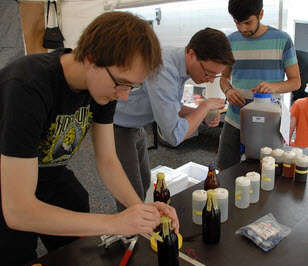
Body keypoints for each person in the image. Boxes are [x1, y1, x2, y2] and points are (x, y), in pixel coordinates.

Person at [0, 11, 179, 266]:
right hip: (7, 183)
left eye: (133, 86)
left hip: (50, 174)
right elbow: (18, 210)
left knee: (79, 249)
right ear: (91, 58)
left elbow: (107, 160)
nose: (125, 96)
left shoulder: (103, 88)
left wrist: (138, 209)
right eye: (122, 83)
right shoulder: (26, 86)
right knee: (16, 252)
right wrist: (114, 222)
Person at [113, 27, 235, 211]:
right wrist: (204, 107)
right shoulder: (164, 69)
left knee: (145, 182)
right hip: (117, 125)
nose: (210, 80)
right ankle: (129, 236)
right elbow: (174, 135)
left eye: (215, 75)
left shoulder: (179, 65)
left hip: (135, 125)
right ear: (192, 54)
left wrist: (201, 117)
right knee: (130, 195)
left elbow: (172, 109)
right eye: (208, 72)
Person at [216, 0, 301, 171]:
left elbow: (296, 81)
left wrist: (274, 87)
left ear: (260, 14)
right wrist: (228, 90)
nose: (243, 29)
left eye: (248, 22)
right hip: (235, 118)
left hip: (268, 123)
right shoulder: (230, 41)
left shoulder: (282, 40)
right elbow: (224, 77)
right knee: (224, 171)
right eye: (237, 23)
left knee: (266, 172)